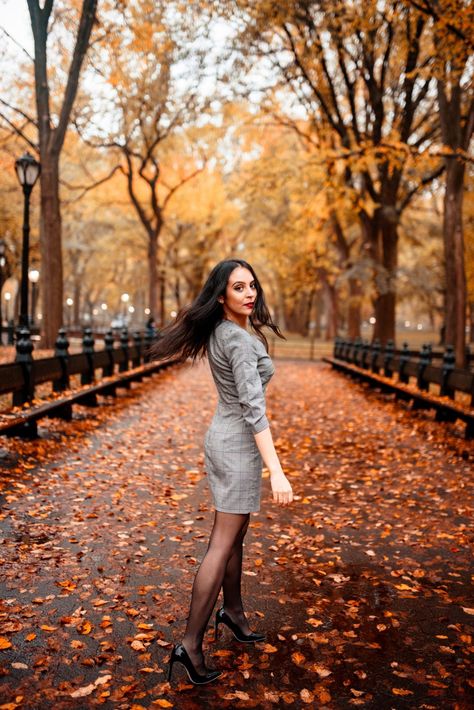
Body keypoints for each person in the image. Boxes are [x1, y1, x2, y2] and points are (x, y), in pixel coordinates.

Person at [149, 258, 294, 685]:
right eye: (239, 288)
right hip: (236, 444)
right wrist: (277, 470)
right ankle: (190, 645)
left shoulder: (225, 332)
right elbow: (254, 409)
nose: (250, 293)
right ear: (221, 296)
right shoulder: (238, 341)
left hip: (224, 437)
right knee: (222, 543)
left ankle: (233, 612)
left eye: (252, 285)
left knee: (234, 536)